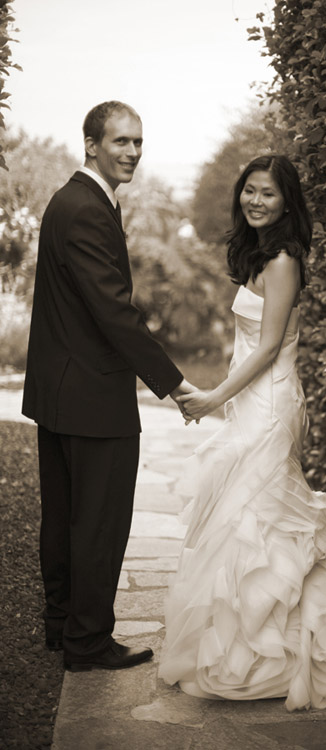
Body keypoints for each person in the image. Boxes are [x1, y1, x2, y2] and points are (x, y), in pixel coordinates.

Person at [158, 154, 326, 711]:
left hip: (268, 404)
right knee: (242, 522)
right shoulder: (257, 255)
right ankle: (246, 644)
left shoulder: (285, 259)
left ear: (287, 201)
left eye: (267, 193)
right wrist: (227, 395)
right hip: (250, 399)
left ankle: (287, 650)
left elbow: (269, 348)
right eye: (249, 191)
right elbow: (249, 345)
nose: (255, 201)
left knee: (261, 519)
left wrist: (214, 398)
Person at [22, 101, 193, 672]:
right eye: (121, 141)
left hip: (61, 394)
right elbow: (114, 312)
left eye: (138, 142)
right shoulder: (89, 208)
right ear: (91, 143)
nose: (133, 153)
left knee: (66, 516)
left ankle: (61, 624)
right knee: (97, 523)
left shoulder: (69, 200)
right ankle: (88, 642)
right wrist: (174, 384)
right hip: (93, 399)